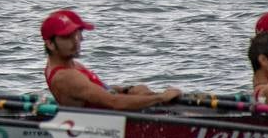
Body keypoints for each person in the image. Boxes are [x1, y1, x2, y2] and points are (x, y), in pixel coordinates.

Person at [42, 9, 180, 109]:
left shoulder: (70, 64)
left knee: (141, 90)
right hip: (110, 124)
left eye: (77, 34)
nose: (76, 41)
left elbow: (96, 91)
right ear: (50, 44)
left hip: (110, 114)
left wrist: (126, 90)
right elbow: (114, 102)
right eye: (67, 37)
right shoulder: (66, 76)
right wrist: (160, 97)